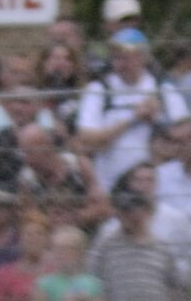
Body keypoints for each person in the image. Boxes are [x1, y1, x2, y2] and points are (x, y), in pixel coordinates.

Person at [78, 29, 183, 192]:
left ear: (143, 57)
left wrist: (157, 121)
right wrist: (134, 118)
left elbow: (183, 135)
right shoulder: (99, 90)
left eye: (127, 57)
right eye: (116, 57)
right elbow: (87, 139)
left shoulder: (163, 89)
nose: (121, 64)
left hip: (157, 187)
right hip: (110, 186)